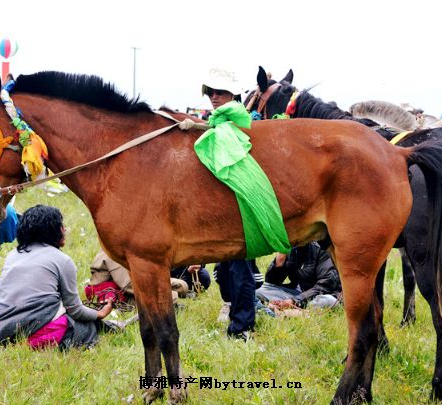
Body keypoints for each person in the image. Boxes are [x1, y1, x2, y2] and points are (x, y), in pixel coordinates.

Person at [0, 205, 118, 349]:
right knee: (87, 328)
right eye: (61, 225)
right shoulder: (62, 260)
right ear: (52, 230)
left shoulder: (13, 255)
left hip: (0, 329)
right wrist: (99, 313)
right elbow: (75, 310)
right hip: (36, 332)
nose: (65, 230)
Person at [200, 67, 259, 340]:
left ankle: (243, 327)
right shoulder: (218, 119)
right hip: (223, 207)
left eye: (220, 92)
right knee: (225, 270)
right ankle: (236, 314)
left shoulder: (236, 118)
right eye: (211, 92)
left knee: (240, 269)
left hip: (241, 204)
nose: (214, 97)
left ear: (232, 94)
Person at [256, 241, 342, 311]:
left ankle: (297, 312)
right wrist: (280, 260)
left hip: (324, 294)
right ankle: (289, 308)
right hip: (299, 292)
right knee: (258, 291)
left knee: (326, 301)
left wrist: (294, 301)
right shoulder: (292, 248)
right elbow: (272, 283)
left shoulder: (322, 248)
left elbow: (325, 286)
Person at [90, 249, 189, 304]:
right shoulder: (114, 250)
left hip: (127, 285)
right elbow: (129, 284)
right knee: (170, 297)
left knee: (181, 287)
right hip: (118, 293)